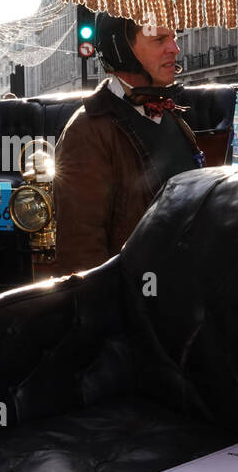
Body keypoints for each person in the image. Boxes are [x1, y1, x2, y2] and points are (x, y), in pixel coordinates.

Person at [52, 14, 204, 276]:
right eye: (159, 39)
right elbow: (82, 256)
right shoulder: (87, 131)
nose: (175, 48)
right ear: (122, 50)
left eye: (174, 38)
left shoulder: (172, 116)